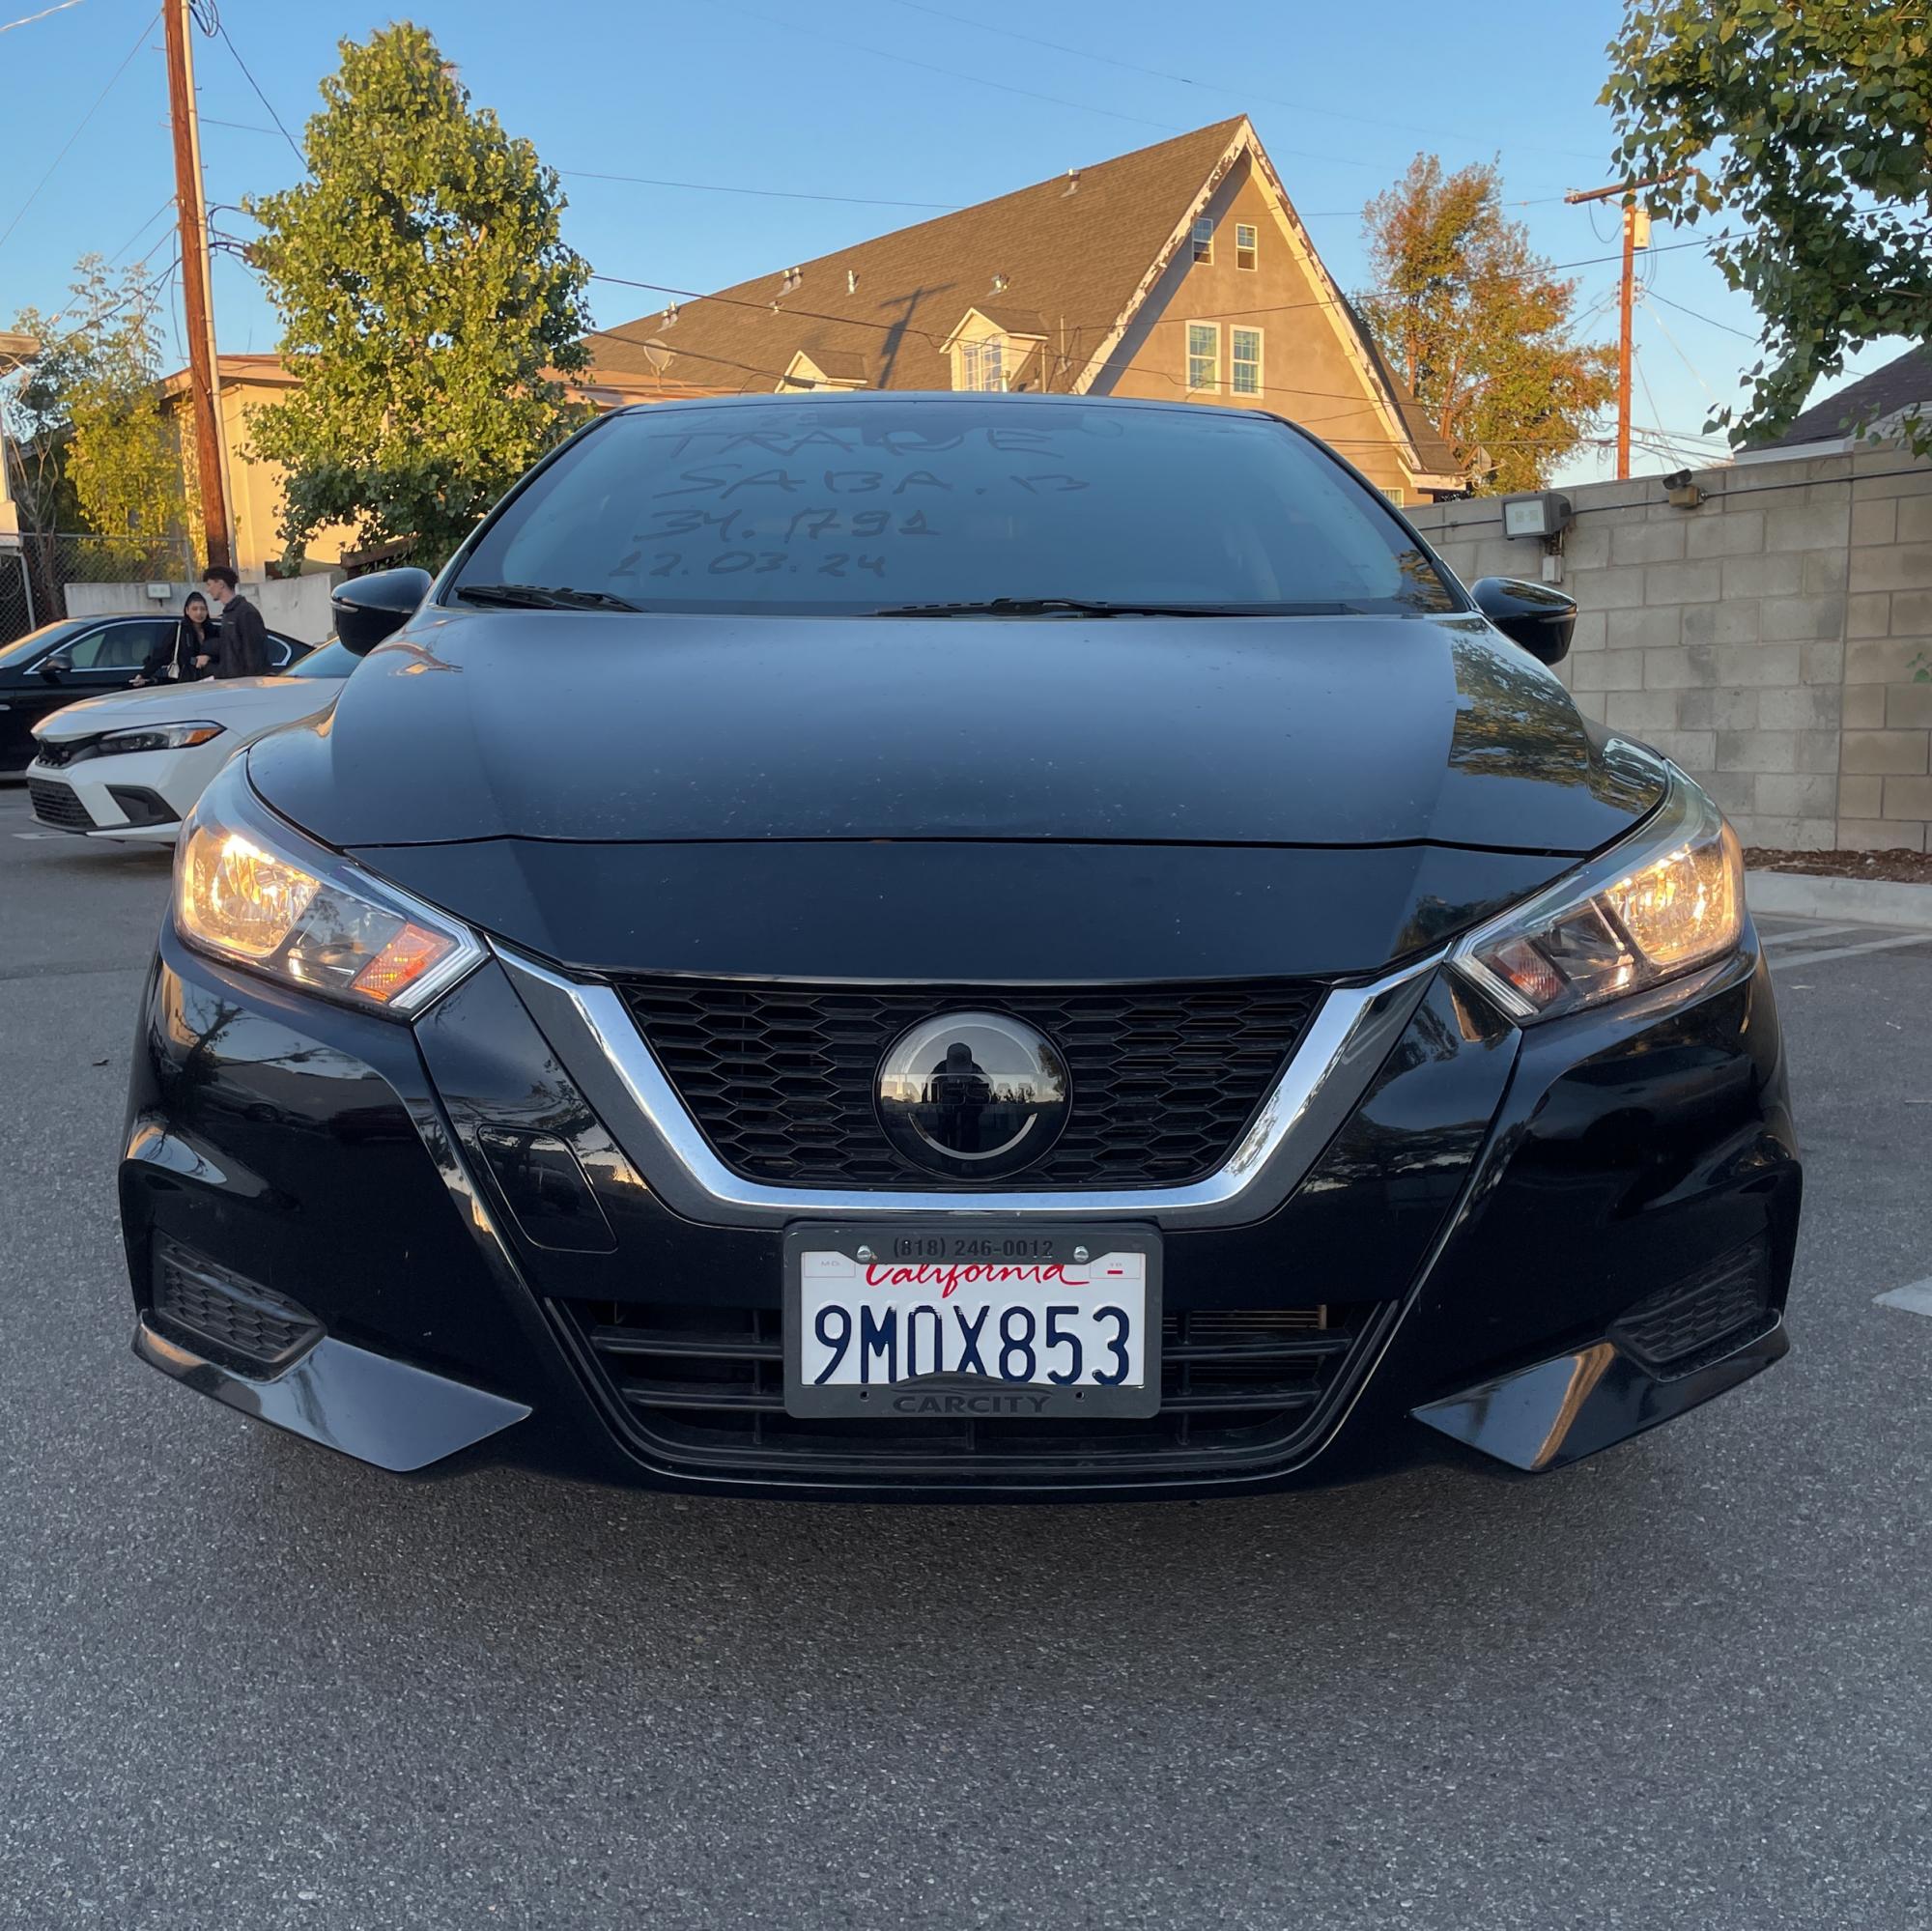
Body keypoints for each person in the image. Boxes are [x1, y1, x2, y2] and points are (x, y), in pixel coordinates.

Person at [130, 592, 215, 686]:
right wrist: (143, 674)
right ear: (187, 611)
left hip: (211, 681)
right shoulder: (179, 629)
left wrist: (209, 658)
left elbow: (223, 653)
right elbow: (162, 654)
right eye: (194, 609)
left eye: (203, 609)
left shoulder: (214, 630)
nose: (199, 613)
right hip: (187, 682)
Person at [200, 564, 269, 678]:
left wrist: (250, 684)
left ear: (221, 584)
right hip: (232, 683)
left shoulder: (246, 612)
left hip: (244, 685)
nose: (208, 590)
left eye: (209, 584)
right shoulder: (229, 614)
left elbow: (254, 654)